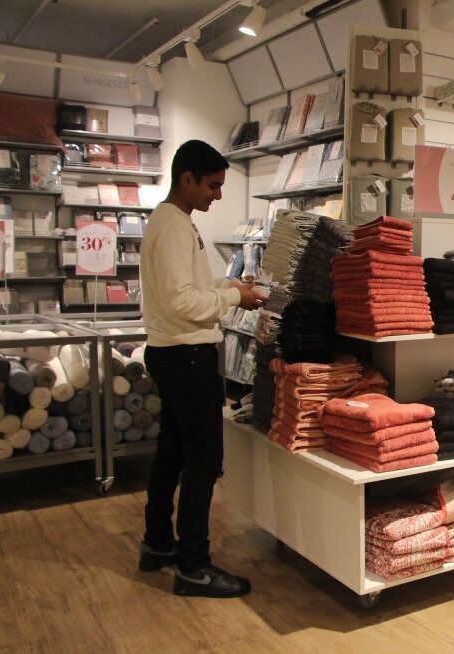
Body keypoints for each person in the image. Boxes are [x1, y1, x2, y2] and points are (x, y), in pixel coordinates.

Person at [137, 140, 264, 597]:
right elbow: (182, 301)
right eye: (212, 185)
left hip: (172, 353)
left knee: (173, 451)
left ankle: (158, 543)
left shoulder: (170, 221)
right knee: (204, 460)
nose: (218, 195)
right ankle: (193, 566)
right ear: (186, 178)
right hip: (186, 356)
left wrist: (223, 284)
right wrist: (233, 297)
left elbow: (184, 288)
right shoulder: (173, 225)